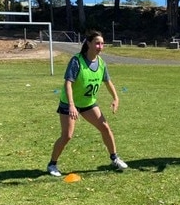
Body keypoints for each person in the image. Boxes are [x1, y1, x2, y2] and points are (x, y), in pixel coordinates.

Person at [47, 31, 128, 177]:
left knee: (105, 128)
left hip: (88, 103)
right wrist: (71, 105)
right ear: (88, 43)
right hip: (69, 103)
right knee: (67, 136)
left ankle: (114, 158)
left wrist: (116, 98)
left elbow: (108, 81)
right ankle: (52, 164)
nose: (100, 46)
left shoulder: (101, 63)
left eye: (102, 43)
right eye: (97, 43)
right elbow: (68, 83)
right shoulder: (77, 61)